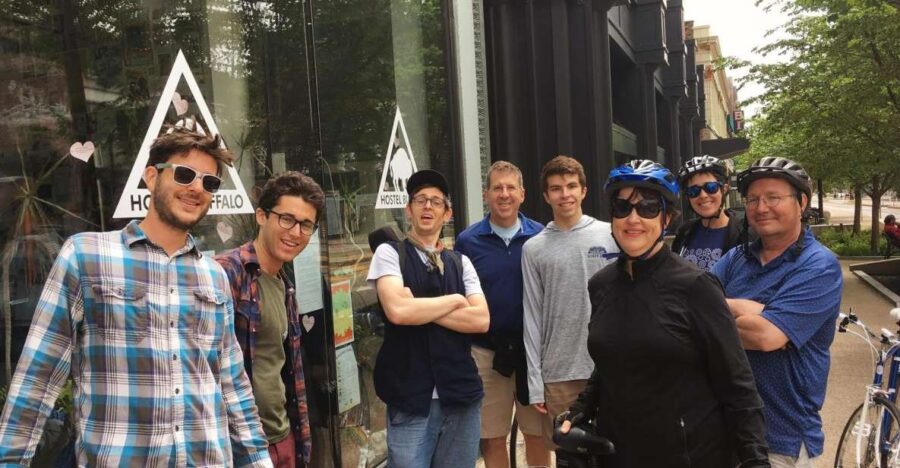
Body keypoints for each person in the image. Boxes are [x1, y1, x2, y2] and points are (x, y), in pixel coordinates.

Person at [0, 128, 273, 466]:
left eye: (210, 183)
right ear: (151, 177)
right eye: (185, 174)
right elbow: (37, 379)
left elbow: (234, 387)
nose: (197, 188)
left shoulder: (214, 276)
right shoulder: (86, 257)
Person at [558, 159, 770, 467]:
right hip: (619, 453)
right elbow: (614, 361)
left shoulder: (697, 287)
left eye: (647, 208)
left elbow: (738, 386)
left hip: (689, 455)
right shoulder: (601, 285)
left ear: (666, 218)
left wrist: (755, 460)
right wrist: (582, 408)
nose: (633, 218)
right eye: (622, 207)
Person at [712, 156, 843, 467]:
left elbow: (765, 337)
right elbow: (690, 309)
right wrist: (754, 310)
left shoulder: (818, 266)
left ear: (802, 203)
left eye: (773, 197)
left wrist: (758, 321)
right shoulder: (735, 259)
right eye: (753, 199)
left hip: (780, 439)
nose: (761, 207)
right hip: (723, 429)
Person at [367, 169, 489, 468]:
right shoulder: (389, 254)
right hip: (411, 399)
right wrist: (455, 301)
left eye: (436, 202)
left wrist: (419, 310)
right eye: (420, 200)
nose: (427, 207)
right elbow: (397, 311)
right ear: (409, 209)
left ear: (447, 213)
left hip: (460, 397)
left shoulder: (461, 263)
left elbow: (481, 320)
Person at [216, 172, 324, 467]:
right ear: (261, 216)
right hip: (237, 445)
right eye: (286, 219)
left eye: (305, 225)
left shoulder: (284, 285)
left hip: (281, 437)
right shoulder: (226, 273)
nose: (295, 232)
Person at [455, 161, 548, 468]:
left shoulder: (541, 237)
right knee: (492, 438)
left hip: (532, 353)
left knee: (537, 436)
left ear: (522, 193)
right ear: (486, 194)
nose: (504, 194)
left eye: (511, 188)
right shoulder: (467, 242)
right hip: (486, 353)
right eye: (497, 188)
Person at [521, 155, 618, 451]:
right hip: (560, 372)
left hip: (611, 366)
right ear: (546, 195)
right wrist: (535, 381)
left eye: (571, 186)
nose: (565, 194)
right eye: (556, 188)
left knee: (619, 451)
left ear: (583, 191)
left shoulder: (613, 234)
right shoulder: (533, 248)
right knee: (570, 457)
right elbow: (532, 316)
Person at [672, 155, 750, 270]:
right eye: (694, 191)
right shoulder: (684, 232)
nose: (703, 195)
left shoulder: (745, 234)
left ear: (724, 189)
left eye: (711, 187)